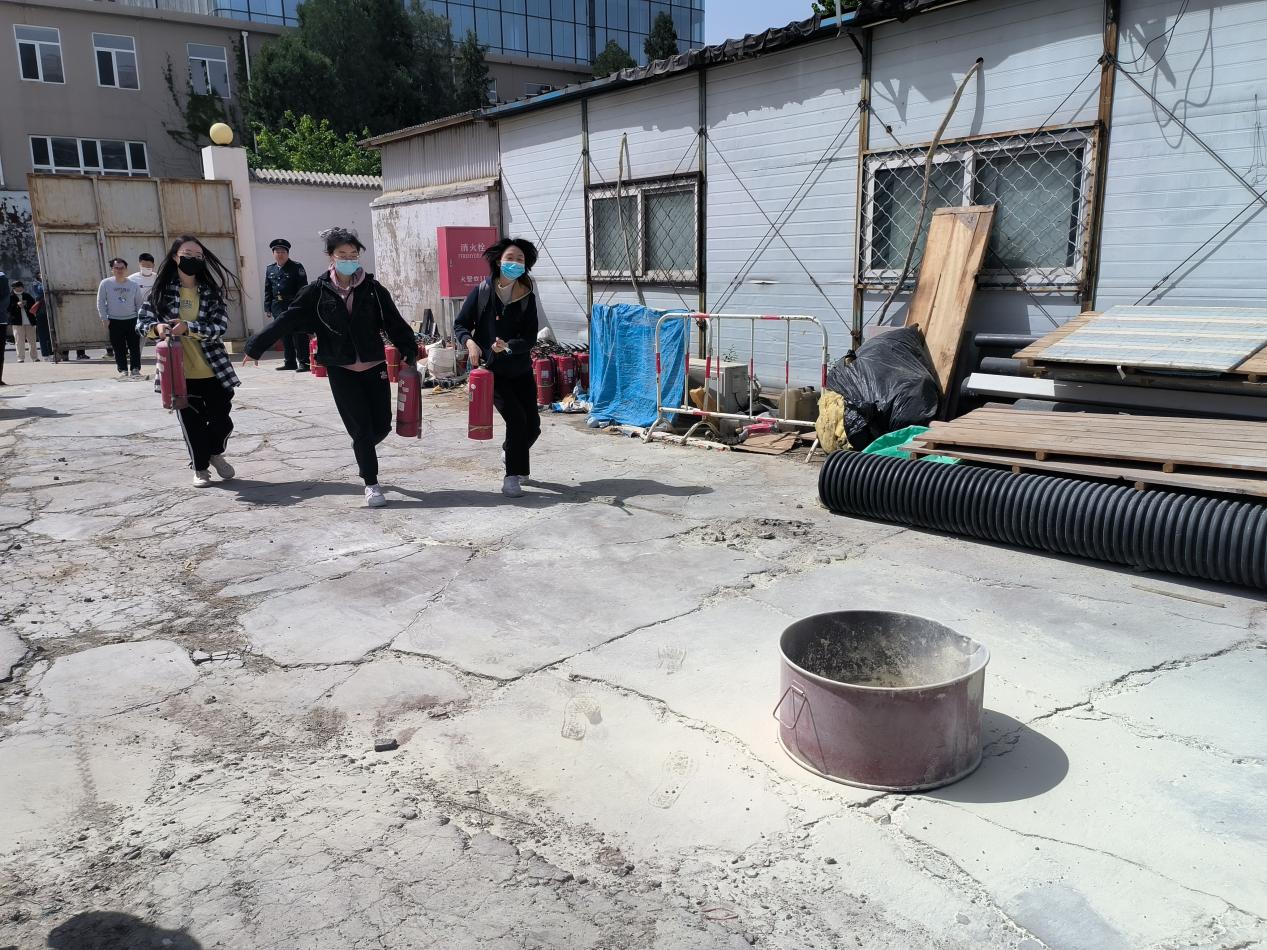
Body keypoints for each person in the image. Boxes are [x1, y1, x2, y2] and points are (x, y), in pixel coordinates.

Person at [242, 227, 418, 508]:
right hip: (340, 368)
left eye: (353, 254)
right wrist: (256, 346)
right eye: (342, 254)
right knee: (361, 428)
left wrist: (408, 349)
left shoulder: (373, 290)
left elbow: (394, 322)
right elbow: (288, 319)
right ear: (331, 257)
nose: (349, 259)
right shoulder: (316, 291)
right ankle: (371, 483)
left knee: (382, 425)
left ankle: (361, 446)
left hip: (374, 365)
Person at [137, 236, 241, 487]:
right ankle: (200, 468)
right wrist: (157, 328)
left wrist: (189, 328)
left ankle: (215, 452)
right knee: (192, 425)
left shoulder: (210, 292)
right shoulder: (160, 293)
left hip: (214, 370)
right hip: (179, 374)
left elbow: (219, 327)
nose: (193, 259)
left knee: (222, 422)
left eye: (198, 255)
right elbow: (141, 324)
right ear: (175, 257)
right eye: (187, 254)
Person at [455, 237, 543, 498]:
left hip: (520, 369)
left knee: (533, 426)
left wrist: (508, 346)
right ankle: (512, 477)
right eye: (510, 258)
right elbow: (461, 324)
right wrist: (470, 342)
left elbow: (530, 337)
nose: (515, 263)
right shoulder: (482, 291)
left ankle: (510, 452)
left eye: (520, 259)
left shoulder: (526, 296)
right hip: (492, 372)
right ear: (498, 262)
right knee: (516, 419)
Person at [263, 238, 309, 372]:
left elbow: (303, 288)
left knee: (299, 335)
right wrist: (267, 307)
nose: (280, 254)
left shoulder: (296, 267)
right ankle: (289, 362)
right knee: (284, 334)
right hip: (277, 306)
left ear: (287, 253)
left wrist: (301, 306)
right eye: (277, 252)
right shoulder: (270, 269)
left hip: (293, 305)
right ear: (273, 254)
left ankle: (304, 362)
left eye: (283, 252)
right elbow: (268, 289)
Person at [96, 258, 144, 379]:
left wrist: (140, 319)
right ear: (112, 269)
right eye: (116, 268)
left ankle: (135, 369)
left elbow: (139, 303)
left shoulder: (133, 285)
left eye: (122, 268)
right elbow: (100, 302)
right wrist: (104, 318)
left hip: (132, 320)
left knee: (134, 347)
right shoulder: (105, 283)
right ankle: (123, 369)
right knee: (118, 347)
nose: (119, 270)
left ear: (126, 269)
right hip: (114, 320)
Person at [8, 280, 39, 362]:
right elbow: (8, 309)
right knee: (19, 341)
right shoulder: (10, 297)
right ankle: (20, 358)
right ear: (14, 288)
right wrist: (17, 305)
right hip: (17, 322)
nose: (20, 288)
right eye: (18, 287)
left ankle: (34, 357)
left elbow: (34, 306)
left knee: (32, 340)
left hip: (30, 321)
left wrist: (27, 304)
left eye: (21, 287)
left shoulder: (27, 295)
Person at [31, 272, 52, 359]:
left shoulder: (49, 281)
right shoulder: (35, 284)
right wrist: (45, 282)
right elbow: (42, 291)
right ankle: (45, 354)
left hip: (51, 310)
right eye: (40, 274)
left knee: (51, 334)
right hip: (41, 312)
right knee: (43, 334)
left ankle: (52, 353)